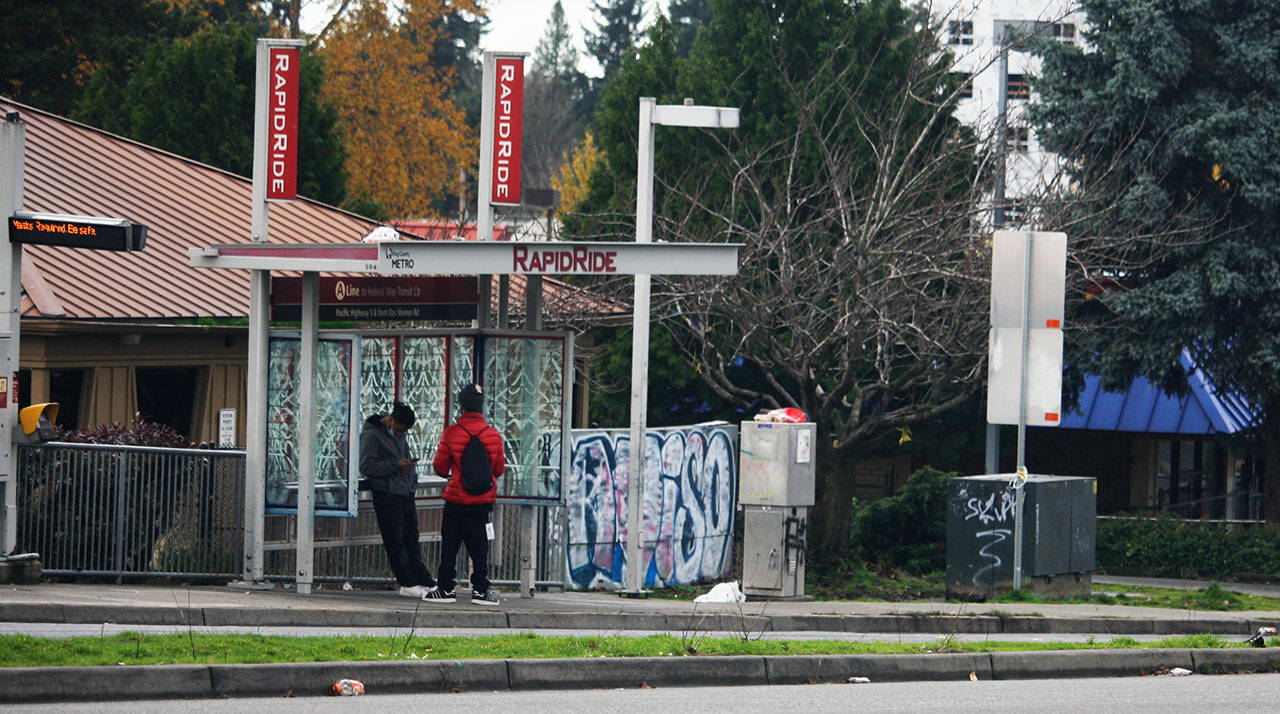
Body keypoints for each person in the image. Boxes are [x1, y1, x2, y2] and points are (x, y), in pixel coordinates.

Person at [426, 384, 505, 605]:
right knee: (480, 547)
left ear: (461, 406)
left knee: (450, 545)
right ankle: (481, 590)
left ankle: (445, 589)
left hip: (456, 500)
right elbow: (498, 469)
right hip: (482, 502)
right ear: (482, 406)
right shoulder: (493, 435)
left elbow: (440, 467)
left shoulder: (451, 433)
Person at [359, 401, 440, 599]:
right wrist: (395, 466)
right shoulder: (372, 435)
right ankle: (407, 581)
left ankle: (423, 578)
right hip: (386, 494)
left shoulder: (401, 436)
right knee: (395, 540)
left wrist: (412, 481)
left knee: (411, 538)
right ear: (391, 419)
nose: (398, 433)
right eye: (397, 429)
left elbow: (407, 458)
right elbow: (366, 466)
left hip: (405, 492)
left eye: (402, 431)